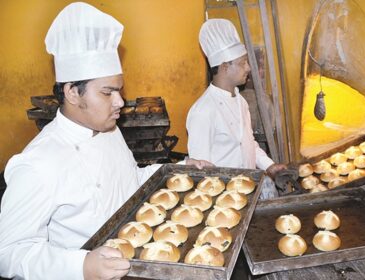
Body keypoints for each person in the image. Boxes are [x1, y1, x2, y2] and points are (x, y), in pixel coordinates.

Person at [0, 3, 211, 279]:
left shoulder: (108, 130)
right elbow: (8, 253)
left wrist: (178, 168)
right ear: (73, 93)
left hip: (137, 256)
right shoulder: (38, 164)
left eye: (119, 91)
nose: (120, 102)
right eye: (107, 92)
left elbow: (130, 180)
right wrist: (81, 265)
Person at [186, 18, 286, 179]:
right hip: (224, 198)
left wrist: (269, 165)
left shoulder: (241, 102)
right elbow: (199, 170)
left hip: (247, 189)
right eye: (243, 63)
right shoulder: (203, 111)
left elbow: (247, 143)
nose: (249, 67)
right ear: (225, 67)